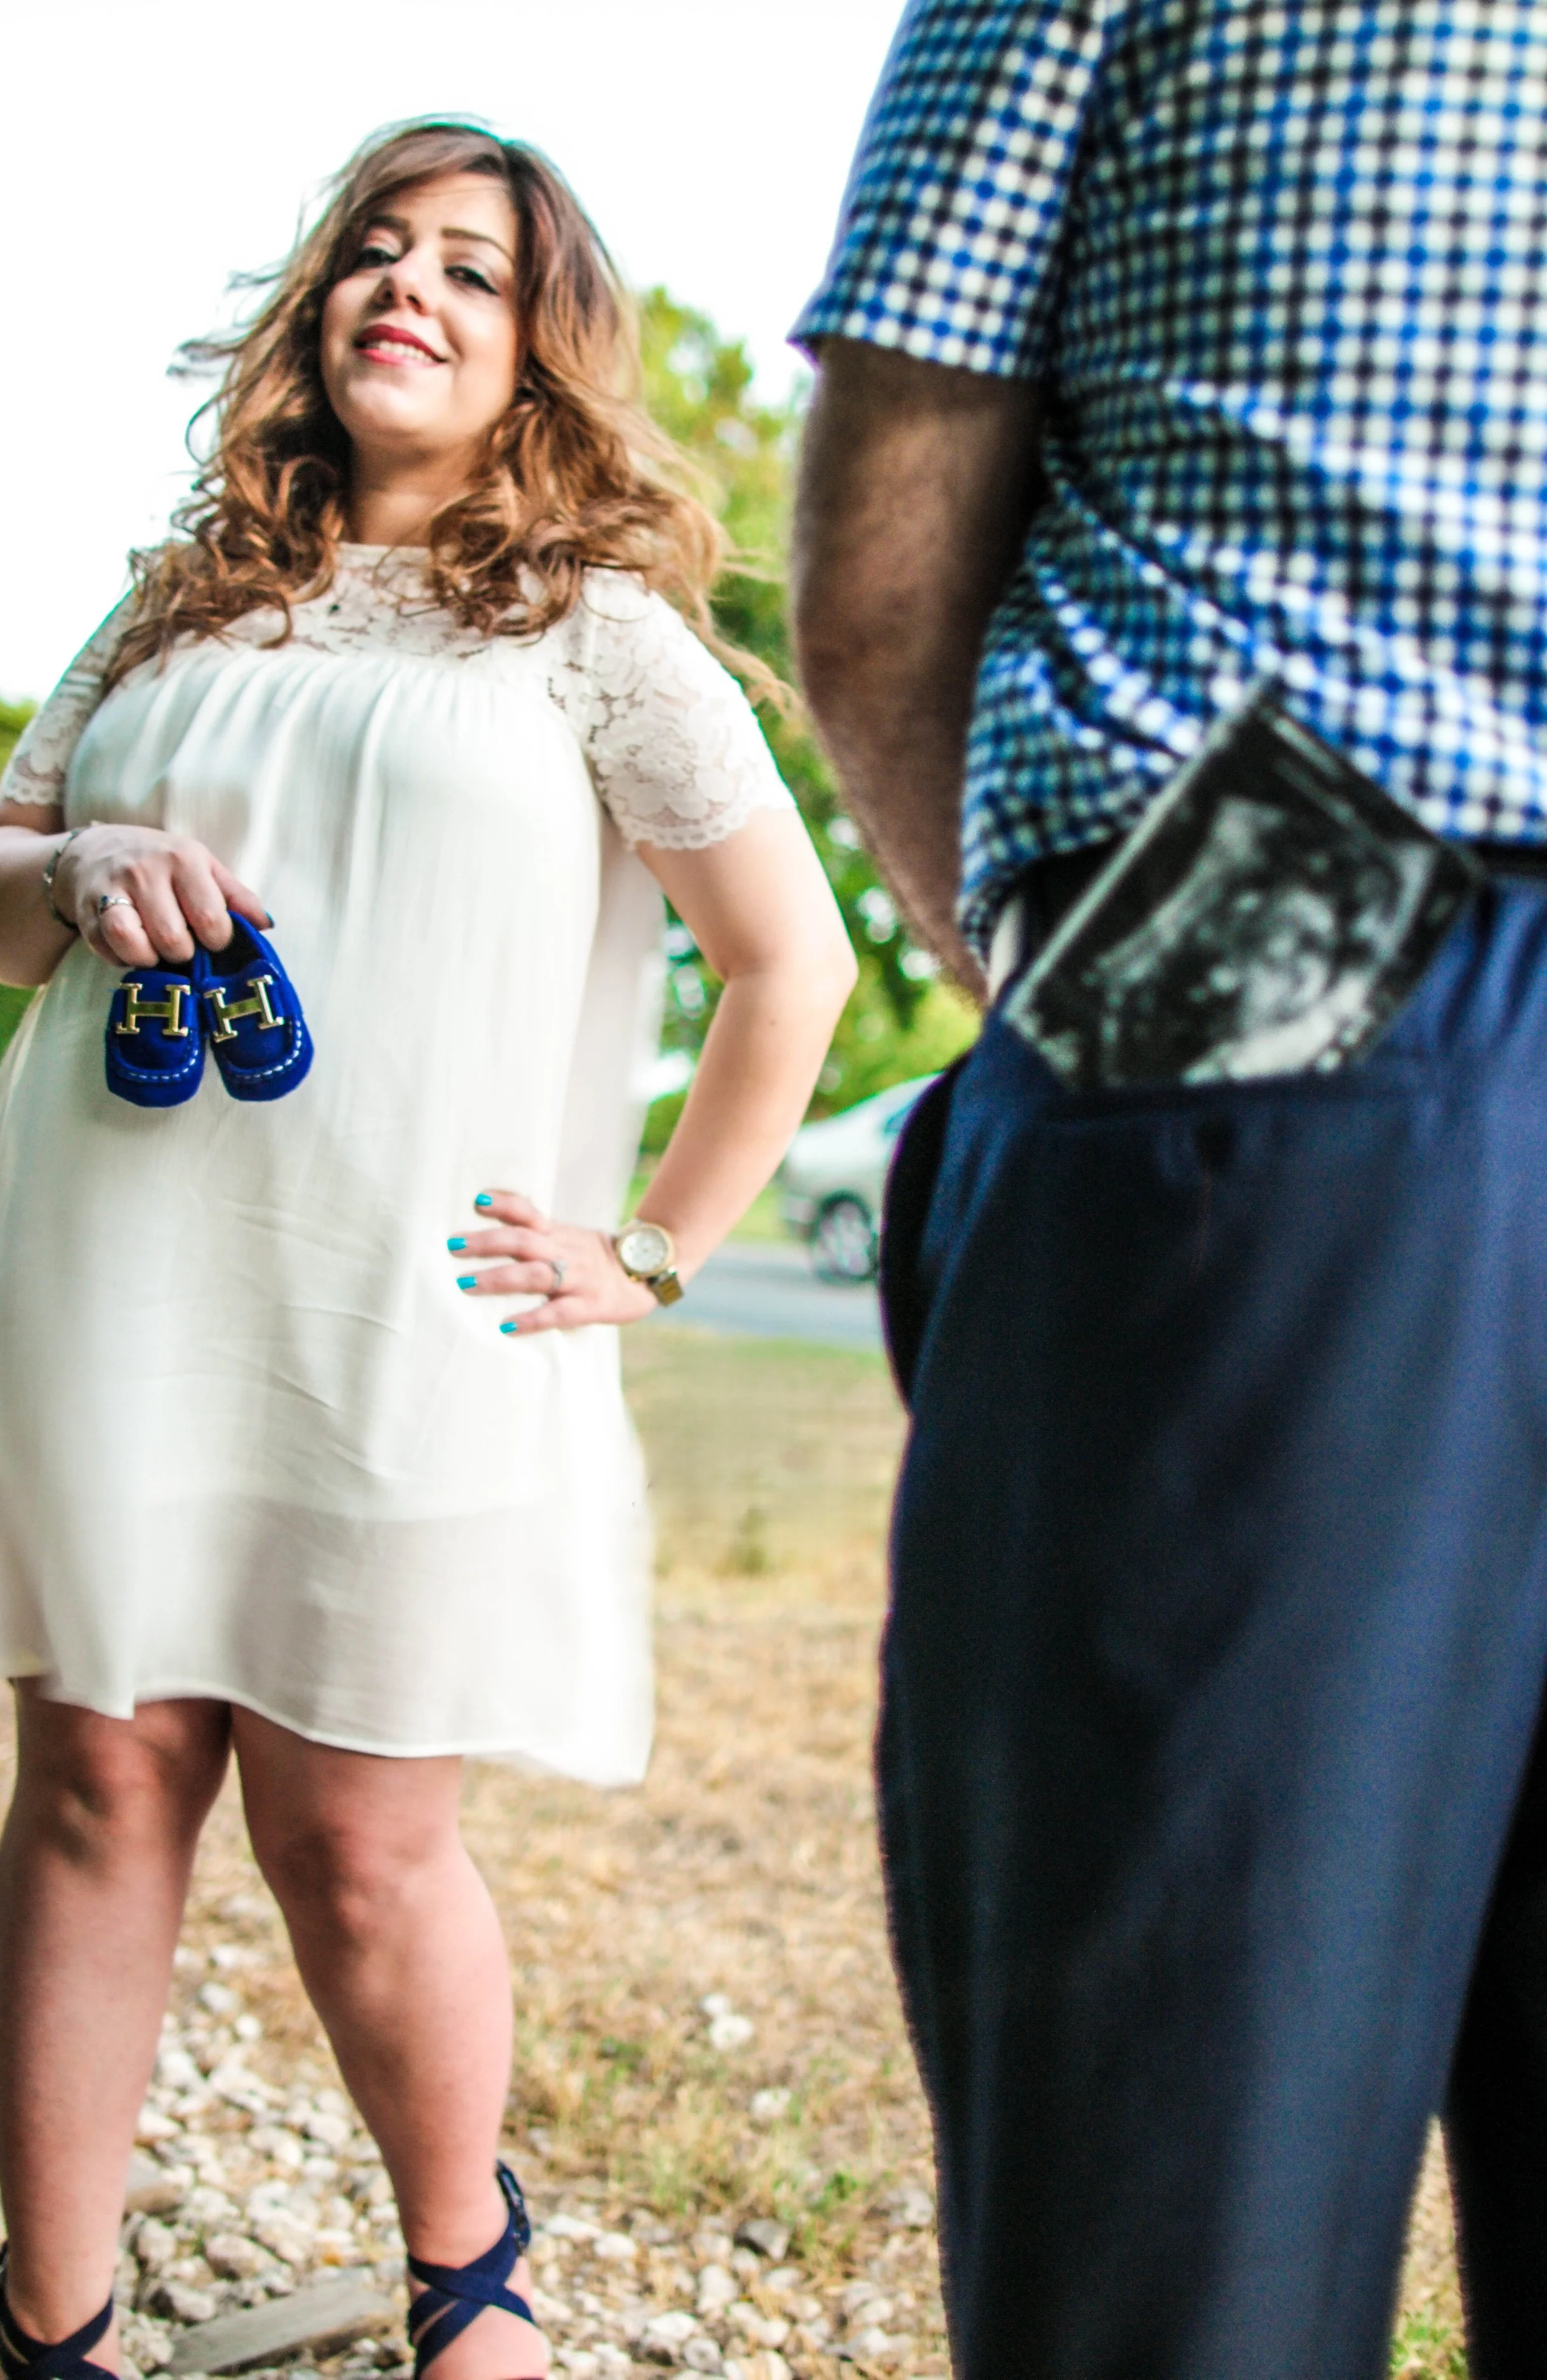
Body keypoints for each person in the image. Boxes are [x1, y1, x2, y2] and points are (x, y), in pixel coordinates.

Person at [0, 116, 855, 2380]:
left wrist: (651, 1251)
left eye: (471, 265)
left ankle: (470, 2275)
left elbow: (793, 968)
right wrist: (74, 871)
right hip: (111, 1274)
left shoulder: (597, 631)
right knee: (95, 1771)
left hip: (401, 1297)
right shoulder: (171, 600)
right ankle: (47, 2320)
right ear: (317, 308)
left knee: (357, 1832)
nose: (411, 289)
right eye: (376, 249)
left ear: (535, 346)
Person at [790, 4, 1547, 2377]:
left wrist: (1073, 972)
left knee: (1175, 2186)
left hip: (1272, 881)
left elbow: (890, 532)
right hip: (1285, 901)